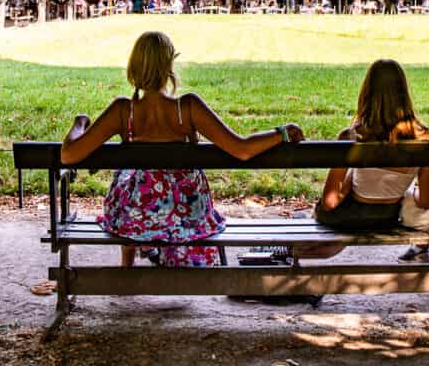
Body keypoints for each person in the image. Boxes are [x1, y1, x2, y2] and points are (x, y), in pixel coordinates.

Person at [61, 31, 305, 267]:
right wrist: (280, 133)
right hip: (186, 213)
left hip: (136, 217)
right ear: (169, 66)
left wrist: (80, 121)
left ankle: (130, 262)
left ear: (133, 68)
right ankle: (155, 250)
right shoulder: (188, 107)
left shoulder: (123, 111)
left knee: (130, 178)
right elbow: (241, 149)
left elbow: (68, 154)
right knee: (143, 180)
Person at [306, 59, 429, 259]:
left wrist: (349, 179)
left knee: (323, 214)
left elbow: (330, 202)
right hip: (388, 218)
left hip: (348, 218)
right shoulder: (424, 137)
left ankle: (286, 253)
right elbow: (425, 201)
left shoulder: (352, 136)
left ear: (367, 92)